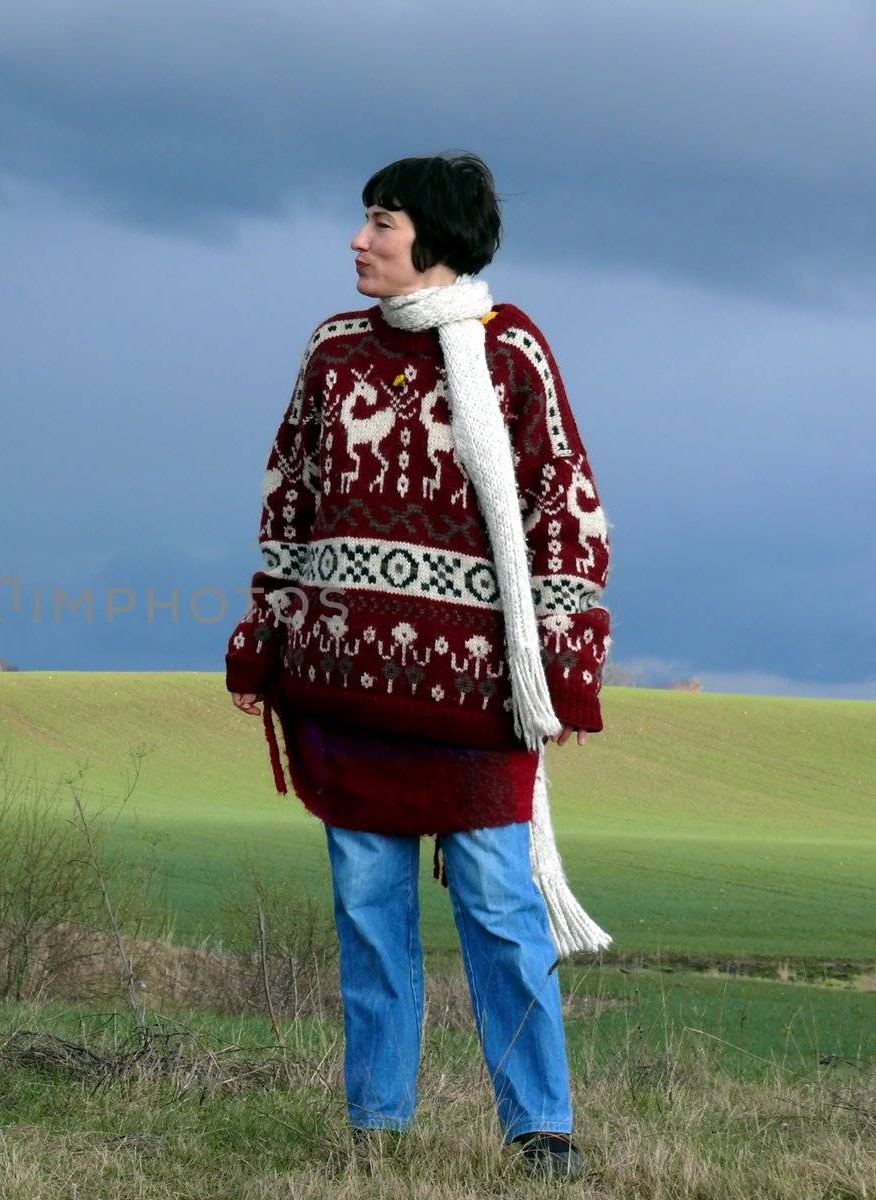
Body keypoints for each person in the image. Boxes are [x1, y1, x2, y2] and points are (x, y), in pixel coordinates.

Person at [224, 152, 613, 1181]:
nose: (358, 241)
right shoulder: (330, 350)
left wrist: (566, 670)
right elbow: (288, 500)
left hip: (476, 702)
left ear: (432, 238)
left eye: (381, 224)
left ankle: (541, 1133)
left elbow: (565, 515)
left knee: (497, 913)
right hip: (344, 689)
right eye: (363, 223)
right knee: (366, 918)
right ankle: (376, 1132)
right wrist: (265, 635)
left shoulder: (510, 350)